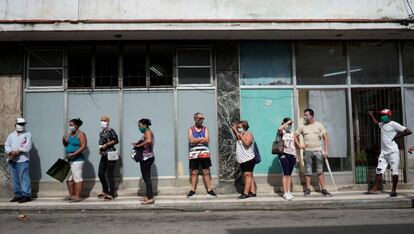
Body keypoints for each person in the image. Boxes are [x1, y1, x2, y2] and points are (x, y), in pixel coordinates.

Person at [367, 109, 412, 197]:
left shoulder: (394, 124)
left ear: (388, 116)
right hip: (384, 152)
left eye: (384, 115)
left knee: (394, 171)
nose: (382, 116)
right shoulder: (382, 124)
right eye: (381, 115)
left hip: (393, 152)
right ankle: (374, 188)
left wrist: (397, 136)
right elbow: (376, 124)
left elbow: (408, 131)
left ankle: (393, 190)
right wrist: (371, 115)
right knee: (379, 169)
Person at [294, 108, 332, 197]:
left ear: (311, 116)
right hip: (307, 151)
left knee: (320, 171)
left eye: (306, 115)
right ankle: (307, 189)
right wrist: (299, 145)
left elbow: (325, 137)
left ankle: (323, 189)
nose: (304, 116)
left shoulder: (319, 125)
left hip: (318, 151)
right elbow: (295, 136)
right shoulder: (302, 126)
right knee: (308, 171)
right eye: (304, 115)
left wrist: (326, 150)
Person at [186, 112, 217, 198]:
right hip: (194, 154)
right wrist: (201, 139)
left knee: (206, 171)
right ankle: (192, 190)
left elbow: (207, 140)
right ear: (195, 119)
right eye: (200, 118)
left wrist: (197, 140)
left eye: (202, 118)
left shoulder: (205, 129)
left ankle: (209, 190)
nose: (201, 120)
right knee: (194, 172)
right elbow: (191, 141)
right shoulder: (190, 129)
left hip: (204, 153)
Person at [5, 118, 33, 203]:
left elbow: (28, 146)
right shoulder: (11, 135)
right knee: (14, 179)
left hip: (22, 160)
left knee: (24, 178)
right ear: (15, 125)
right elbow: (7, 144)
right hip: (12, 160)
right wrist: (10, 152)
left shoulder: (27, 134)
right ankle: (18, 195)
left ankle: (26, 195)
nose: (21, 126)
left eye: (23, 124)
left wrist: (17, 152)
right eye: (20, 124)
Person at [62, 118, 87, 202]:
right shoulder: (70, 134)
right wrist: (64, 140)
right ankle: (71, 195)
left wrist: (74, 154)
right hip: (69, 159)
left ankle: (77, 196)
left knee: (77, 177)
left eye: (71, 125)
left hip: (77, 159)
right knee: (69, 178)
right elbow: (66, 145)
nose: (70, 126)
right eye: (69, 125)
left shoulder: (81, 134)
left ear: (76, 126)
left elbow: (83, 146)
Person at [132, 118, 155, 205]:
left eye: (140, 126)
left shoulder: (148, 132)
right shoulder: (147, 132)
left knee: (147, 178)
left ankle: (150, 198)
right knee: (146, 178)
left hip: (147, 158)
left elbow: (148, 141)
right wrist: (137, 144)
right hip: (147, 157)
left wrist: (139, 146)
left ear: (145, 125)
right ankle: (148, 196)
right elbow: (146, 141)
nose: (139, 128)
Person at [232, 120, 257, 199]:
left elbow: (247, 143)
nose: (239, 129)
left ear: (244, 127)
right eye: (238, 127)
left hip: (249, 159)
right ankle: (252, 192)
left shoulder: (248, 134)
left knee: (247, 175)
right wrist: (235, 130)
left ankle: (245, 193)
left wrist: (241, 135)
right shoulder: (240, 134)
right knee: (249, 175)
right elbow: (238, 137)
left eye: (240, 127)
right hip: (242, 159)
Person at [97, 115, 119, 201]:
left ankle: (112, 193)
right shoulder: (102, 132)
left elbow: (116, 140)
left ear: (108, 122)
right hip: (104, 154)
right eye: (101, 120)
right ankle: (105, 190)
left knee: (110, 174)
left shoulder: (111, 131)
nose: (102, 122)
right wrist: (100, 148)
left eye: (104, 120)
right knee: (100, 173)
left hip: (110, 154)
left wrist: (106, 145)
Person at [278, 117, 299, 201]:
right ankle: (285, 192)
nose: (290, 125)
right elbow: (279, 128)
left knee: (289, 174)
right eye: (289, 124)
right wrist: (286, 123)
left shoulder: (291, 133)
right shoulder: (281, 132)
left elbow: (293, 145)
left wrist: (296, 156)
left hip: (291, 155)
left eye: (291, 124)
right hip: (284, 154)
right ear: (284, 123)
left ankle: (289, 191)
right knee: (285, 174)